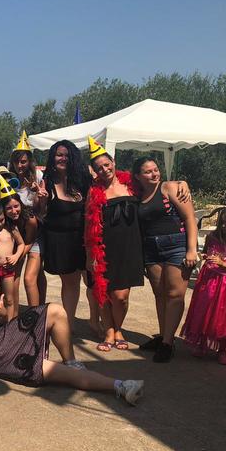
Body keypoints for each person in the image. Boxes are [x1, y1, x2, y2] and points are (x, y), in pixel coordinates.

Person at [0, 275, 145, 405]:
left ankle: (72, 361)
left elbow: (0, 322)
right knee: (56, 372)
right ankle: (121, 386)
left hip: (3, 336)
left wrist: (2, 314)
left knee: (55, 310)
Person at [132, 156, 198, 362]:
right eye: (148, 171)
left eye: (156, 169)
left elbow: (190, 218)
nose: (154, 174)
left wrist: (192, 250)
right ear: (138, 176)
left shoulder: (169, 188)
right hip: (151, 248)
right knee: (160, 294)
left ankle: (168, 343)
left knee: (175, 294)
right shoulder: (138, 195)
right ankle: (162, 337)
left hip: (176, 245)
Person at [85, 137, 144, 352]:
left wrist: (181, 184)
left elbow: (156, 187)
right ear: (95, 172)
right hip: (104, 248)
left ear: (113, 162)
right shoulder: (94, 192)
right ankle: (110, 331)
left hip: (130, 246)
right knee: (104, 293)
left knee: (121, 296)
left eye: (106, 164)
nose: (104, 170)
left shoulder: (132, 184)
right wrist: (90, 255)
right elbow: (88, 225)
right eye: (99, 168)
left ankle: (118, 327)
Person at [37, 140, 94, 329]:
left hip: (84, 239)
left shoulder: (83, 180)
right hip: (60, 241)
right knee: (70, 283)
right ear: (53, 157)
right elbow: (41, 214)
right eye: (59, 155)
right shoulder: (47, 182)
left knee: (91, 281)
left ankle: (95, 321)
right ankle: (68, 324)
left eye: (67, 155)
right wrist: (42, 200)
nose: (63, 159)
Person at [181, 205, 226, 365]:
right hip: (209, 280)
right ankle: (202, 343)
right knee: (204, 311)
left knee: (224, 317)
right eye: (221, 222)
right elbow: (207, 252)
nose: (223, 226)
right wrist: (204, 256)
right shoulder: (212, 237)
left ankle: (222, 349)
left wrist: (222, 263)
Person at [2, 192, 45, 307]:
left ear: (21, 204)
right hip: (19, 241)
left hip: (34, 240)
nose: (14, 211)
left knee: (29, 279)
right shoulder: (4, 220)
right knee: (13, 277)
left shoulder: (30, 219)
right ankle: (14, 313)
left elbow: (29, 242)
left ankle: (35, 313)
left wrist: (17, 257)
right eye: (9, 208)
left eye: (16, 206)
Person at [8, 132, 46, 209]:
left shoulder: (38, 175)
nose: (19, 165)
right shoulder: (9, 178)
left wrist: (35, 191)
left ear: (29, 162)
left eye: (23, 162)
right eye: (16, 162)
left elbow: (44, 204)